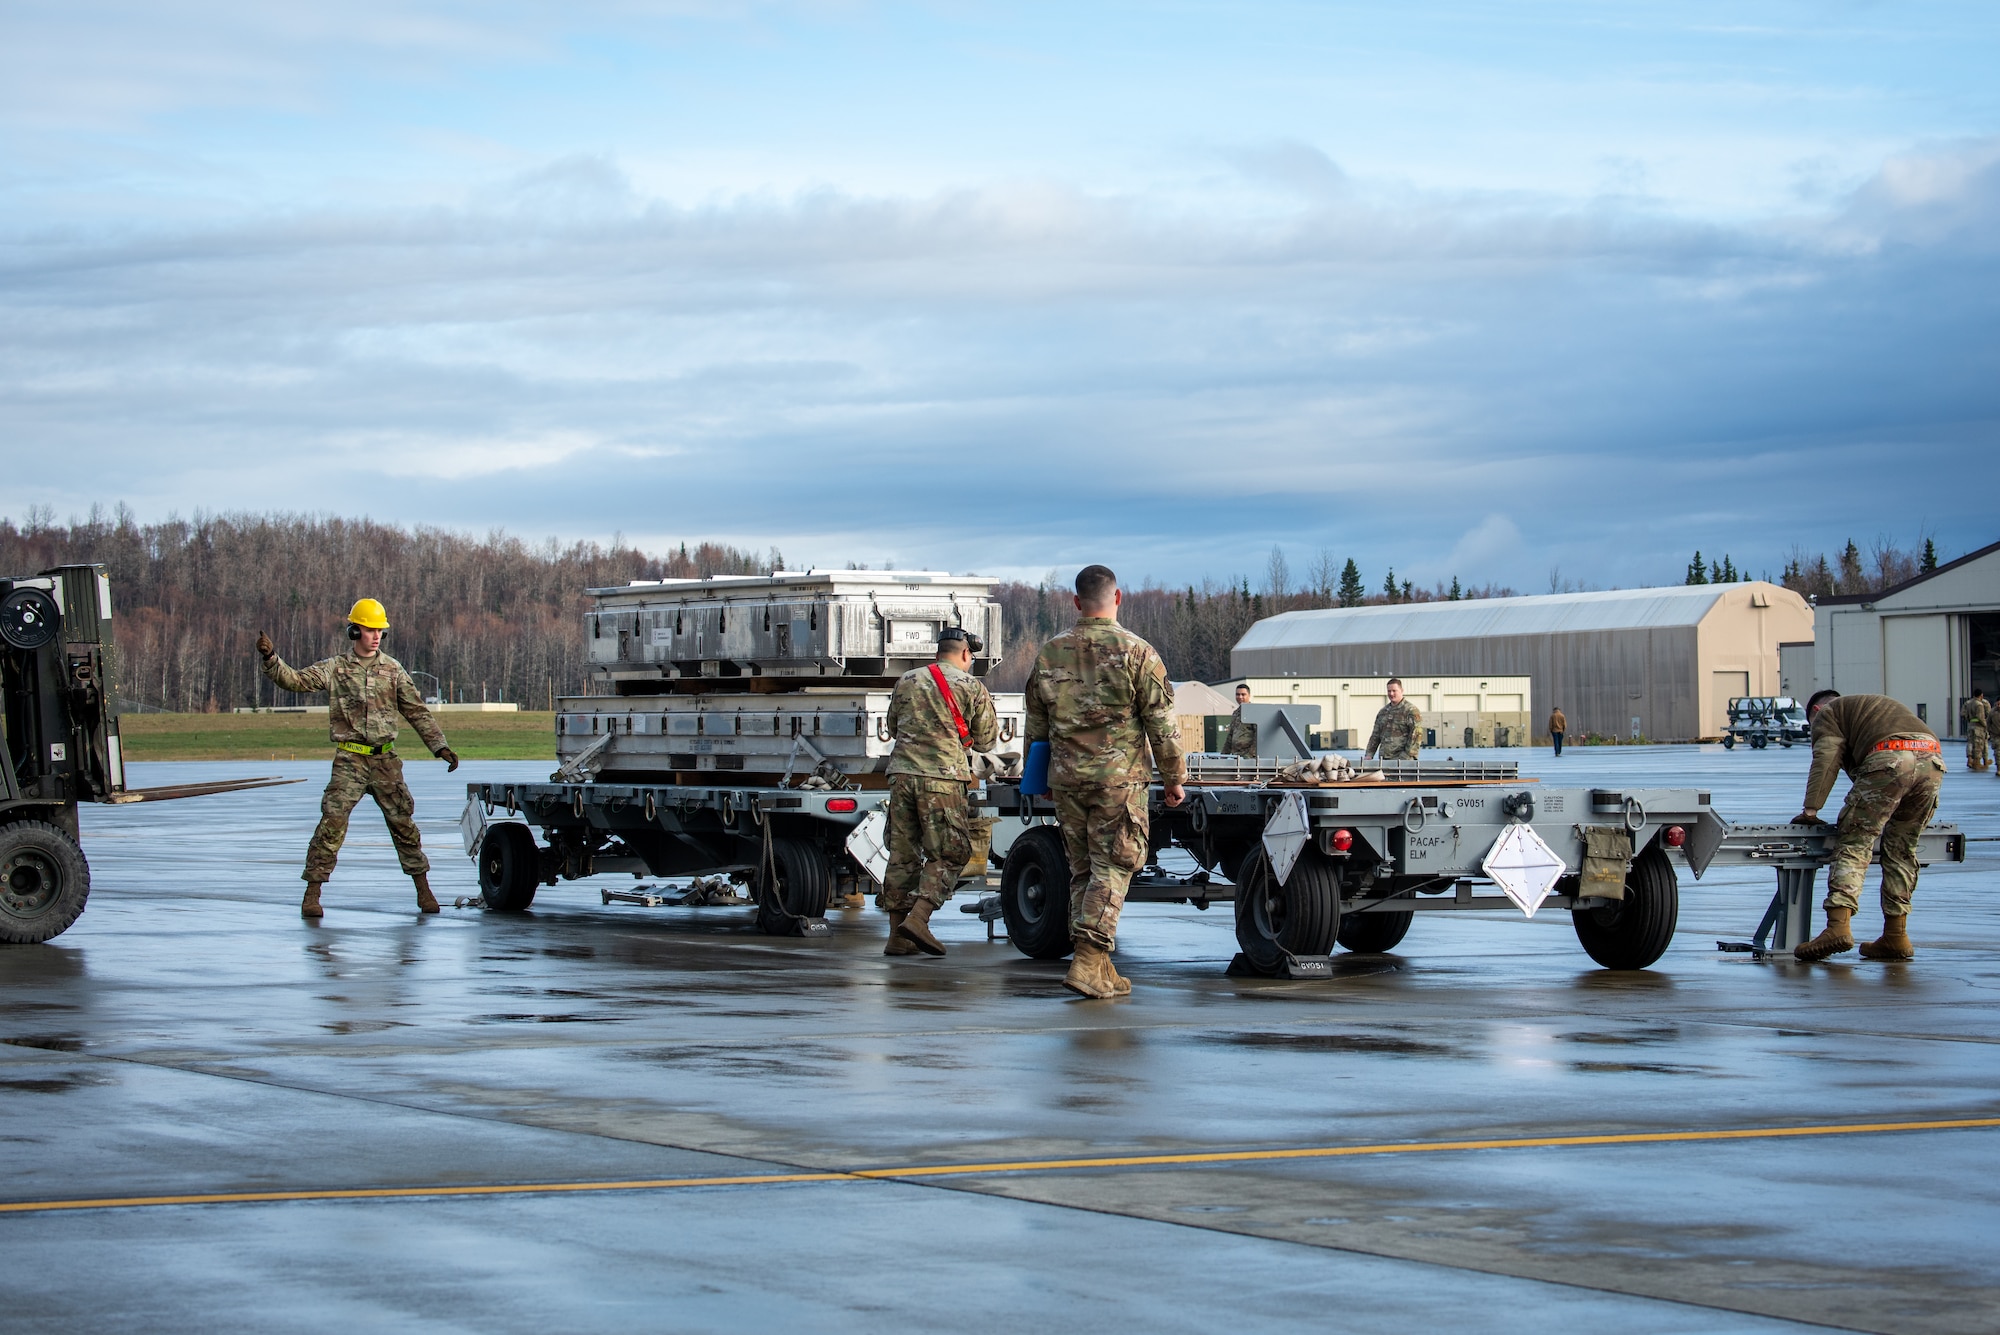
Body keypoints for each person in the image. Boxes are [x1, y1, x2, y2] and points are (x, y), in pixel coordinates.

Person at [1025, 565, 1186, 999]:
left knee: (1084, 871)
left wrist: (1037, 778)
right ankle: (1088, 960)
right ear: (1118, 598)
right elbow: (1162, 724)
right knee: (1114, 868)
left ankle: (1100, 965)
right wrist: (1174, 778)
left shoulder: (1050, 652)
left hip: (1067, 781)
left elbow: (1036, 725)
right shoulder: (1138, 652)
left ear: (1076, 602)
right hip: (1118, 781)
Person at [257, 599, 459, 918]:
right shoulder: (336, 668)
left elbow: (416, 710)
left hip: (385, 761)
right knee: (331, 825)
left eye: (379, 630)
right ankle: (312, 893)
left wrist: (440, 746)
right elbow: (294, 680)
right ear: (355, 630)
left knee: (403, 825)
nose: (375, 636)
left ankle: (424, 891)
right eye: (369, 629)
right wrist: (271, 659)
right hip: (350, 760)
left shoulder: (393, 670)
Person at [1790, 690, 1944, 963]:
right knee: (1902, 847)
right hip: (1931, 758)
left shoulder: (1828, 713)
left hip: (1891, 757)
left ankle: (1838, 927)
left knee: (1854, 841)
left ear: (1815, 711)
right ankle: (1896, 935)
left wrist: (1811, 810)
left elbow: (1826, 760)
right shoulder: (1872, 707)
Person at [878, 625, 998, 957]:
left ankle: (896, 937)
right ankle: (919, 918)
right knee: (951, 852)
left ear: (937, 653)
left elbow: (891, 727)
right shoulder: (971, 686)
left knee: (902, 855)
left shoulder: (906, 681)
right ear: (964, 654)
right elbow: (987, 740)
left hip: (901, 776)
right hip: (942, 781)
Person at [1364, 678, 1423, 761]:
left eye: (1394, 691)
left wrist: (1406, 756)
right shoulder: (1383, 712)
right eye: (1389, 691)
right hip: (1384, 760)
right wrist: (1369, 754)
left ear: (1402, 690)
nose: (1391, 694)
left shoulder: (1411, 711)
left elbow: (1416, 736)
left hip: (1404, 761)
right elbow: (1375, 735)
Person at [1222, 683, 1258, 757]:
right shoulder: (1236, 713)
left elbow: (1258, 735)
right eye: (1237, 694)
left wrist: (1250, 755)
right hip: (1236, 755)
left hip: (1248, 756)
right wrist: (1224, 755)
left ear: (1249, 696)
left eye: (1243, 694)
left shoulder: (1254, 712)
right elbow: (1230, 735)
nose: (1240, 697)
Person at [1962, 689, 1990, 772]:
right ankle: (1977, 762)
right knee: (1979, 743)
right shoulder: (1980, 704)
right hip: (1978, 726)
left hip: (1970, 725)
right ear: (1981, 695)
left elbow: (1963, 714)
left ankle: (1970, 759)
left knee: (1970, 742)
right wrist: (1986, 725)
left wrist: (1969, 719)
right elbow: (1980, 717)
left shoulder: (1968, 703)